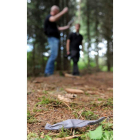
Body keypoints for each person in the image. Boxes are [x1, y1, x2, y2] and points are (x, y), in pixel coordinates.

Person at [44, 5, 70, 77]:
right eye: (57, 12)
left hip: (55, 38)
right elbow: (53, 18)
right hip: (52, 38)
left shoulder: (53, 22)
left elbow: (58, 28)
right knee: (53, 55)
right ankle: (48, 72)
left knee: (54, 55)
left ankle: (50, 73)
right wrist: (63, 12)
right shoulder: (49, 17)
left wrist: (66, 27)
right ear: (55, 11)